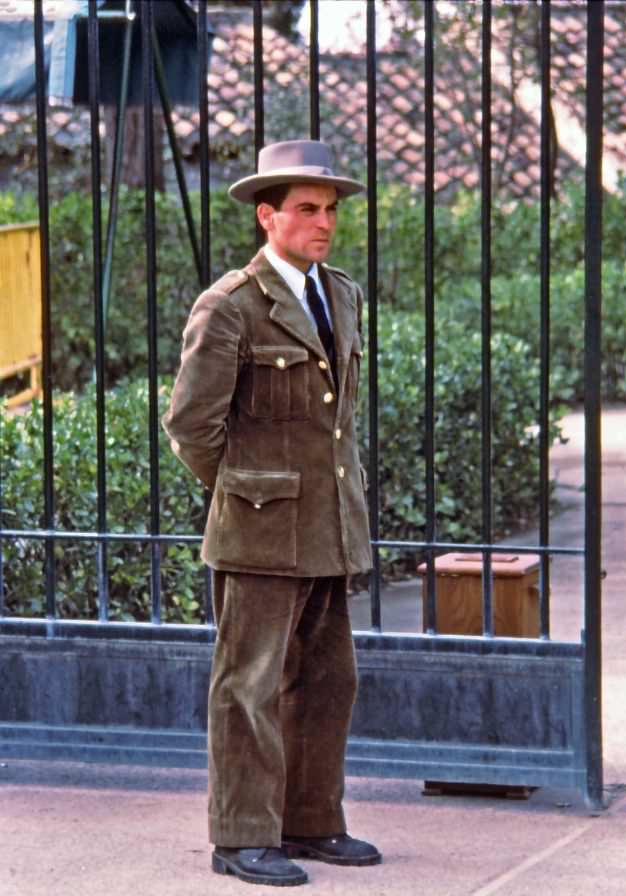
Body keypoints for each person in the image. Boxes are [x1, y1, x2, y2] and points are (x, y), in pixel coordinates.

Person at [162, 139, 380, 887]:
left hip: (327, 522)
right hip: (260, 526)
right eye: (308, 210)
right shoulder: (230, 305)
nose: (324, 223)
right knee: (248, 684)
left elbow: (338, 421)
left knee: (327, 677)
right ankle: (241, 836)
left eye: (331, 210)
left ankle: (311, 820)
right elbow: (193, 426)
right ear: (268, 216)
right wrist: (246, 491)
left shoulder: (341, 294)